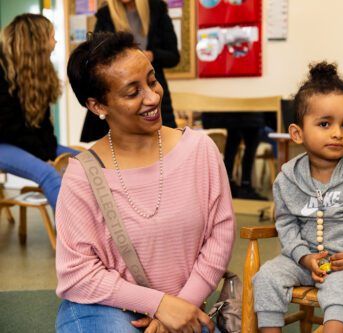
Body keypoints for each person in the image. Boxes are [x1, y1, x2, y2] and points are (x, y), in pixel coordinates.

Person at [56, 32, 235, 333]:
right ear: (98, 105)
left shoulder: (199, 150)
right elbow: (77, 274)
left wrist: (181, 307)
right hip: (104, 308)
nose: (152, 97)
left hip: (185, 308)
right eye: (132, 92)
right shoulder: (83, 174)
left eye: (152, 81)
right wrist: (160, 304)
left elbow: (220, 234)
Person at [252, 62, 343, 333]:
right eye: (325, 123)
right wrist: (302, 257)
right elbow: (285, 224)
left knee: (339, 289)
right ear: (297, 133)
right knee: (266, 277)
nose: (337, 133)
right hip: (303, 261)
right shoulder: (287, 177)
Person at [0, 13, 79, 210]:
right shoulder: (2, 71)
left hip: (21, 140)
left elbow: (42, 124)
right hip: (3, 141)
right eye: (52, 36)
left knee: (87, 162)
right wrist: (45, 158)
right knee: (49, 174)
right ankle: (72, 239)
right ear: (37, 41)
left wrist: (49, 152)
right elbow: (9, 128)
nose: (56, 41)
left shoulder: (38, 71)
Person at [79, 0, 180, 143]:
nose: (153, 99)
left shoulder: (157, 9)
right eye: (132, 92)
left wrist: (152, 55)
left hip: (155, 89)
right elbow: (95, 57)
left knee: (164, 142)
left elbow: (173, 56)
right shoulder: (105, 15)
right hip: (117, 91)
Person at [202, 112, 268, 201]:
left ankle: (227, 184)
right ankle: (245, 185)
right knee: (249, 146)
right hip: (250, 111)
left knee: (232, 144)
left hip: (233, 113)